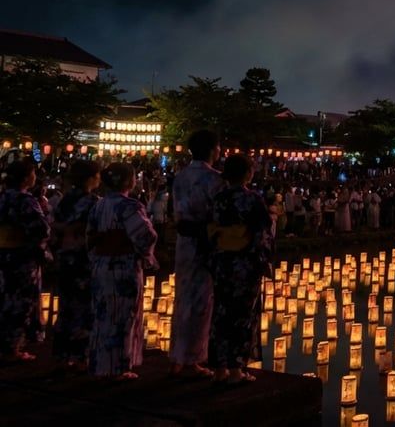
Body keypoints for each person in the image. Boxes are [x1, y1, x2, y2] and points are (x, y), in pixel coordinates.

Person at [207, 154, 274, 385]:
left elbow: (212, 228)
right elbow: (262, 233)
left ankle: (218, 368)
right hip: (245, 262)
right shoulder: (252, 199)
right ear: (248, 173)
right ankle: (236, 369)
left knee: (221, 312)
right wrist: (263, 258)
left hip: (222, 261)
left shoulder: (219, 198)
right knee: (243, 315)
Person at [87, 163, 158, 379]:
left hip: (101, 265)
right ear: (129, 181)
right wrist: (148, 257)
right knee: (122, 316)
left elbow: (90, 237)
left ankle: (101, 365)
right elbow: (145, 236)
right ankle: (118, 367)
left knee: (103, 315)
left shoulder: (99, 205)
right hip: (123, 266)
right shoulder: (129, 206)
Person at [169, 129, 224, 377]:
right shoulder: (215, 179)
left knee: (183, 297)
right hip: (205, 242)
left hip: (184, 242)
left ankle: (178, 357)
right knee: (201, 300)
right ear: (213, 150)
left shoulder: (180, 177)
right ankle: (192, 359)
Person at [51, 160, 102, 370]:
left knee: (66, 306)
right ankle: (81, 356)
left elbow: (54, 226)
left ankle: (62, 355)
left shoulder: (64, 200)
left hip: (65, 255)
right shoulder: (92, 202)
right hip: (83, 258)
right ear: (91, 178)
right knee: (84, 307)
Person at [0, 160, 51, 363]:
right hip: (21, 256)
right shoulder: (25, 200)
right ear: (25, 178)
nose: (35, 177)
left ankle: (7, 344)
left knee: (5, 297)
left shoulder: (3, 197)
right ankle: (14, 346)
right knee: (21, 301)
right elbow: (41, 229)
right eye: (32, 173)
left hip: (3, 254)